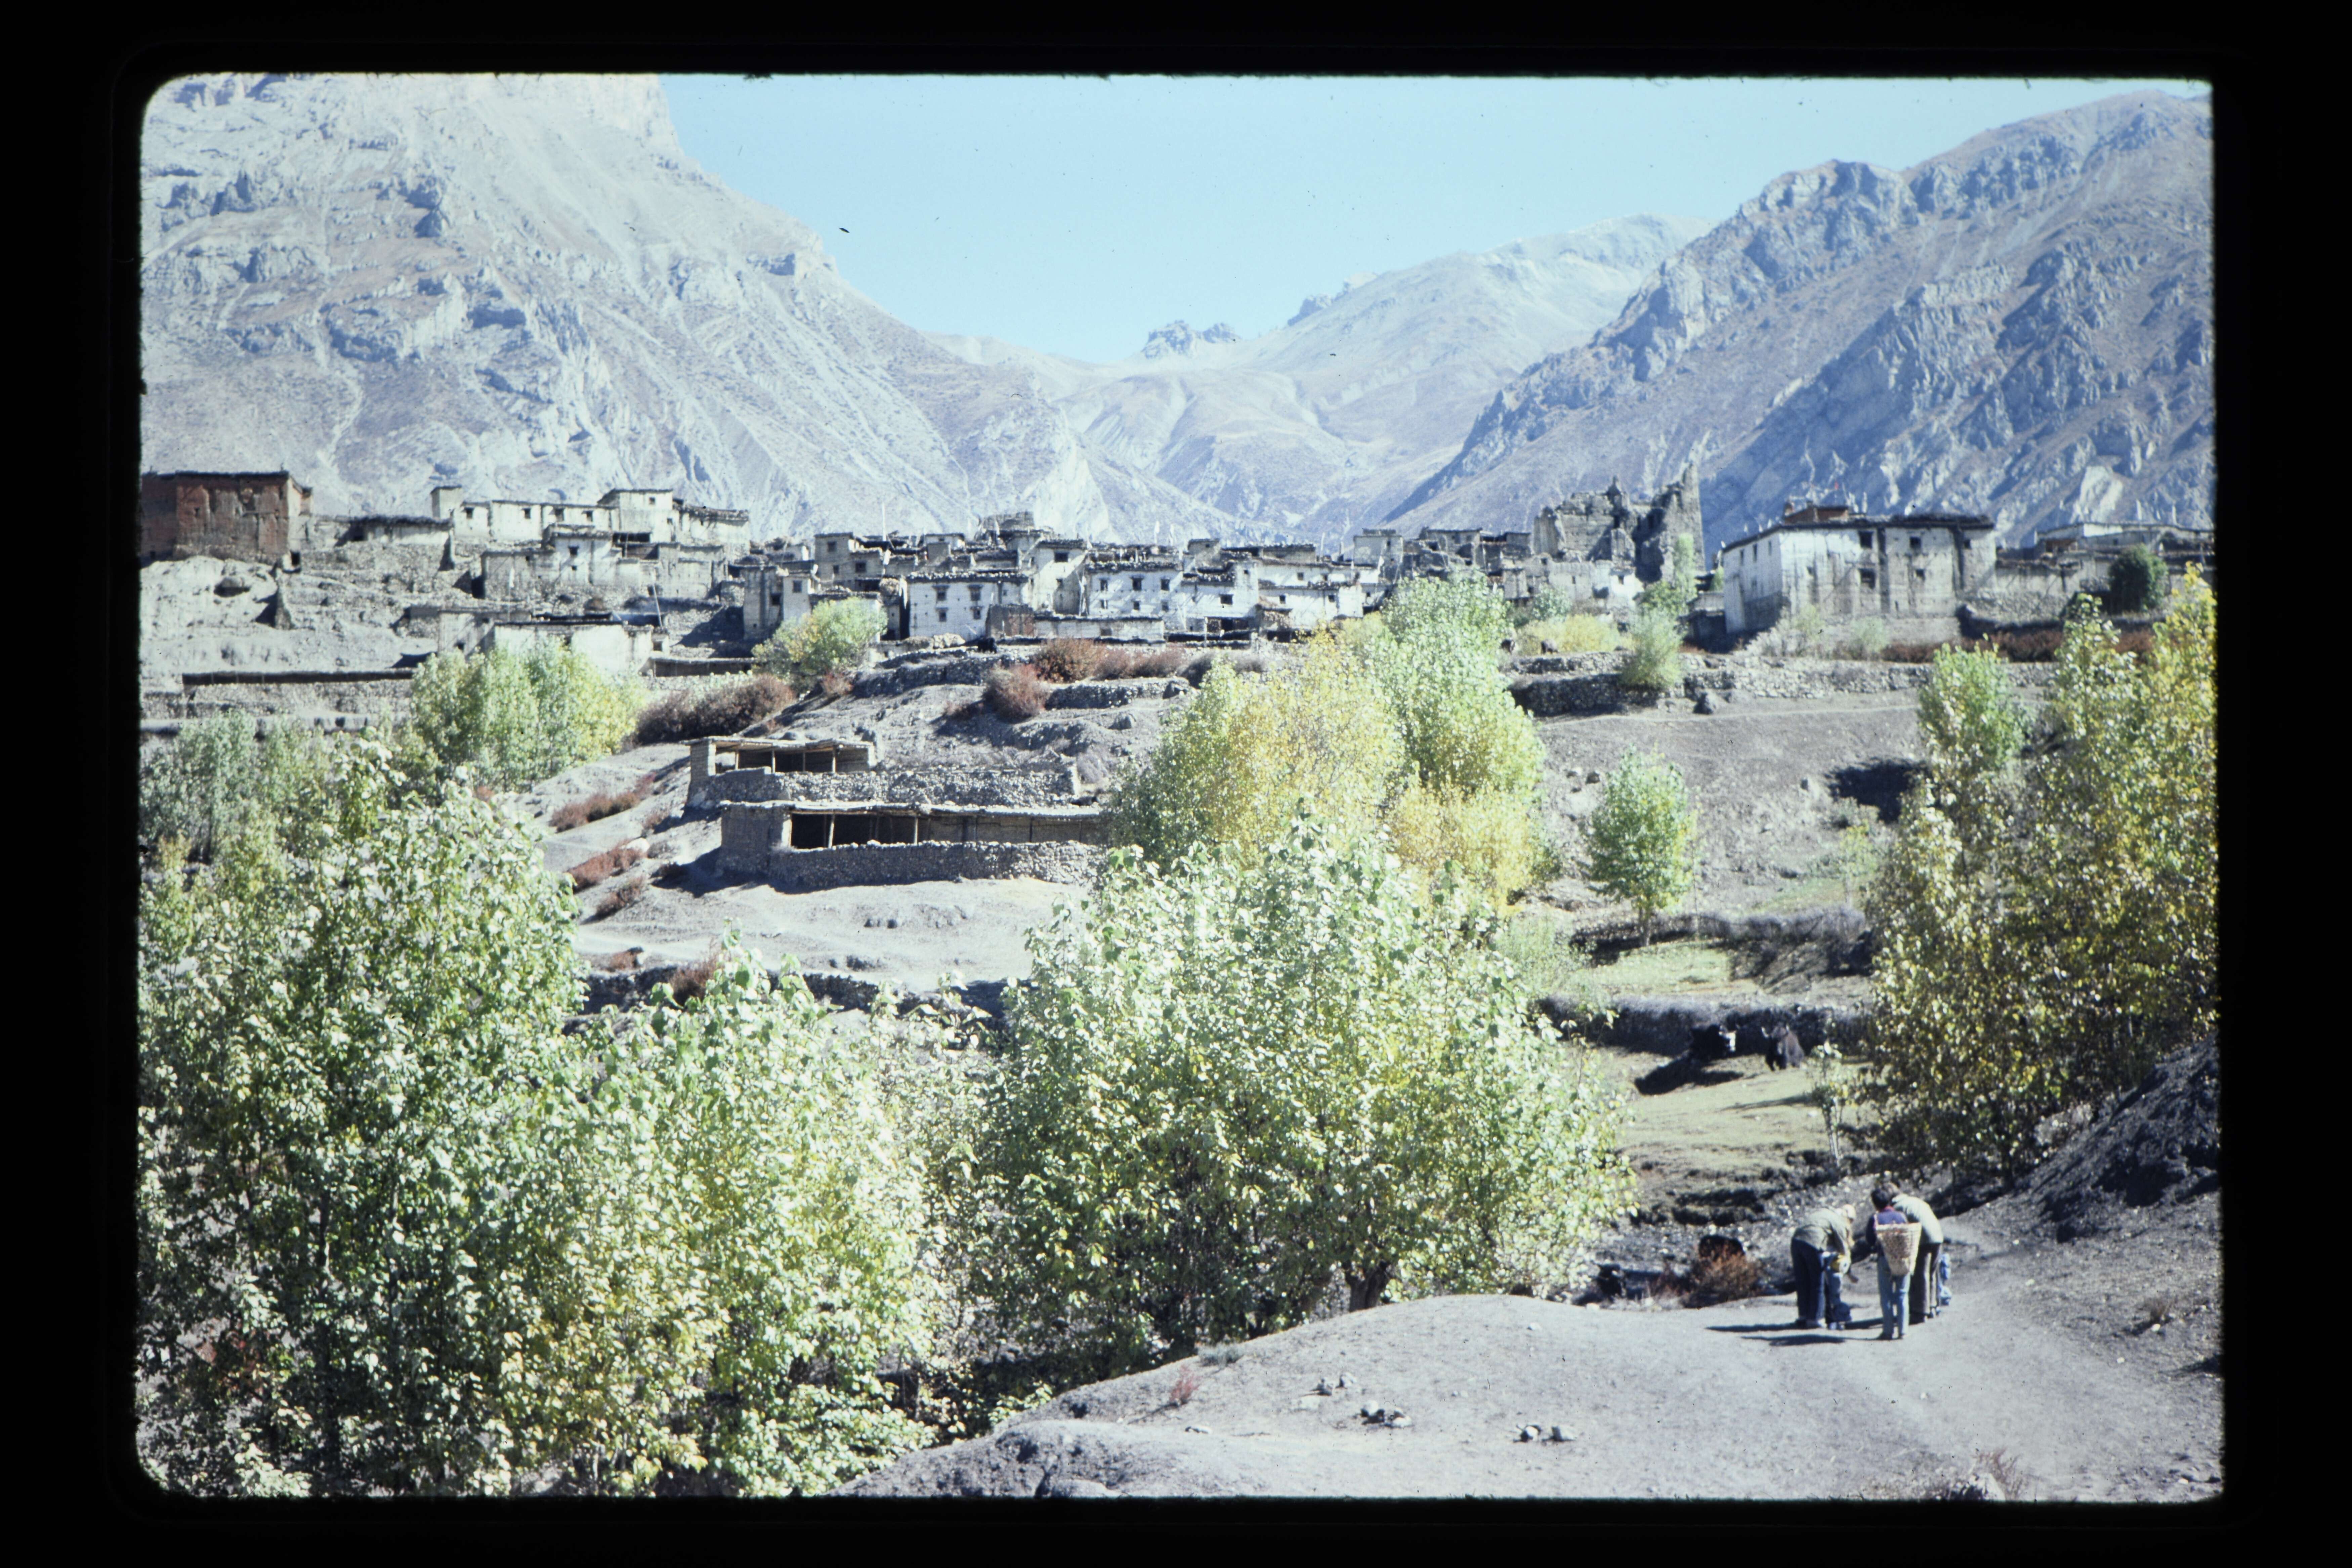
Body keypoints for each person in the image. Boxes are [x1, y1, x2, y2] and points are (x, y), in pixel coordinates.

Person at [1857, 1185, 1918, 1341]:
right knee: (1903, 1294)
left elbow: (1870, 1240)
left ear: (1875, 1204)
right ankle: (1903, 1331)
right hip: (1903, 1259)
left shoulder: (1876, 1219)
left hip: (1885, 1259)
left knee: (1886, 1296)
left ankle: (1888, 1331)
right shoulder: (1901, 1216)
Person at [1789, 1203, 1856, 1330]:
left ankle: (1803, 1317)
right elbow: (1844, 1250)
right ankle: (1815, 1319)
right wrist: (1849, 1272)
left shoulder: (1823, 1212)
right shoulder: (1839, 1222)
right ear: (1847, 1218)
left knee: (1803, 1282)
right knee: (1817, 1282)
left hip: (1796, 1241)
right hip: (1813, 1243)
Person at [1889, 1187, 1946, 1324]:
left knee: (1922, 1274)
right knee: (1932, 1273)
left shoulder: (1898, 1207)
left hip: (1924, 1239)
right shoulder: (1914, 1201)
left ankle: (1921, 1312)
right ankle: (1933, 1306)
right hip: (1937, 1236)